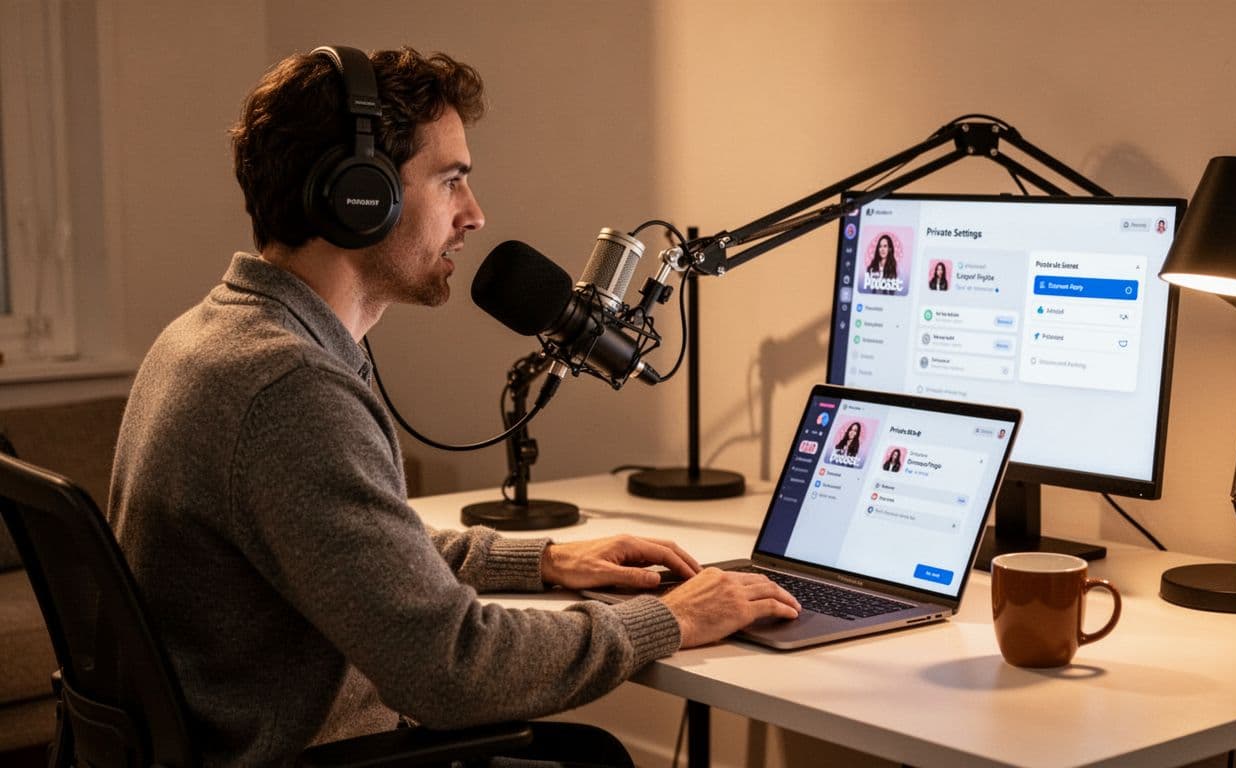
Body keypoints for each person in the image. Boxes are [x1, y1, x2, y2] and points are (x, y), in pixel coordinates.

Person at [108, 46, 799, 767]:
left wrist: (545, 561)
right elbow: (452, 670)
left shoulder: (211, 335)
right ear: (359, 195)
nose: (474, 215)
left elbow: (349, 555)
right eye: (450, 182)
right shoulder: (289, 388)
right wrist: (665, 620)